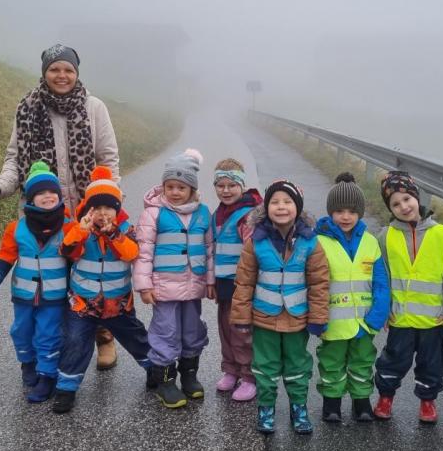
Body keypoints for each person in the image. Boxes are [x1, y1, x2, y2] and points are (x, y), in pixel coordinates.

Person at [0, 43, 121, 370]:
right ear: (44, 72)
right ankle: (52, 357)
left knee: (90, 282)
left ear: (77, 73)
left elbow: (108, 159)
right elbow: (15, 160)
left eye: (68, 69)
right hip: (43, 219)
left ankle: (103, 339)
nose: (62, 75)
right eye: (55, 69)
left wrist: (108, 203)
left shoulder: (93, 108)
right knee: (52, 290)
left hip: (86, 214)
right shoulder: (27, 108)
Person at [231, 179, 330, 435]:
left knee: (298, 365)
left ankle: (299, 408)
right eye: (275, 202)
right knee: (265, 366)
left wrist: (318, 317)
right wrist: (241, 317)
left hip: (298, 319)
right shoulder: (256, 242)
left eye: (287, 202)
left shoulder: (310, 242)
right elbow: (244, 281)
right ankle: (266, 408)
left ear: (297, 207)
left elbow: (319, 282)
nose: (281, 207)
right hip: (264, 317)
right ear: (266, 208)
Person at [51, 166, 151, 414]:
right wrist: (80, 231)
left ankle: (158, 372)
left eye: (109, 208)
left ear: (117, 210)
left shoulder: (125, 229)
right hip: (83, 303)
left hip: (118, 303)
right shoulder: (80, 229)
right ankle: (66, 388)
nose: (103, 213)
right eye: (97, 208)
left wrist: (114, 235)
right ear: (88, 209)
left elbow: (132, 253)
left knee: (137, 337)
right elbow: (67, 252)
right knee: (75, 341)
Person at [372, 171, 443, 424]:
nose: (403, 206)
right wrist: (383, 308)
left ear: (416, 198)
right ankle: (386, 397)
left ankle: (427, 401)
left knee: (432, 363)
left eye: (407, 199)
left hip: (433, 318)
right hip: (400, 316)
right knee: (392, 361)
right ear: (390, 208)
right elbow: (381, 277)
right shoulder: (385, 236)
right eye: (395, 204)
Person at [0, 162, 70, 403]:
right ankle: (27, 363)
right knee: (21, 331)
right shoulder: (16, 229)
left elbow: (79, 256)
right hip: (24, 295)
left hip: (55, 296)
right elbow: (4, 257)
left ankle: (47, 375)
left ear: (59, 196)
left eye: (52, 192)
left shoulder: (69, 227)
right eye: (40, 193)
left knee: (48, 334)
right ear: (30, 199)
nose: (47, 196)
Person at [133, 148, 215, 409]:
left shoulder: (203, 213)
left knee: (192, 331)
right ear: (163, 187)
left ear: (192, 189)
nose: (175, 192)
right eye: (170, 186)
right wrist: (144, 286)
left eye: (181, 187)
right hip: (164, 288)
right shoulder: (154, 214)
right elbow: (143, 253)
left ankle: (189, 376)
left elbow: (210, 249)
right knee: (165, 333)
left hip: (194, 286)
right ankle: (165, 382)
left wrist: (210, 280)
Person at [314, 173, 390, 423]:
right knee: (331, 363)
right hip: (333, 322)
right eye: (339, 211)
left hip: (363, 323)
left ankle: (361, 402)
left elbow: (380, 282)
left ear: (359, 213)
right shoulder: (318, 242)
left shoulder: (370, 242)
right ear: (330, 212)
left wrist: (377, 316)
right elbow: (314, 283)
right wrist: (317, 318)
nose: (345, 217)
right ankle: (332, 403)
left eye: (351, 211)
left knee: (362, 363)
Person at [210, 158, 263, 402]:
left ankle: (249, 376)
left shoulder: (247, 216)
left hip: (241, 285)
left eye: (231, 185)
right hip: (224, 284)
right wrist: (210, 281)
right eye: (220, 185)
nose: (226, 190)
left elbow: (252, 254)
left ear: (242, 186)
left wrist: (248, 286)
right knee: (225, 329)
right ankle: (230, 370)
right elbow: (212, 249)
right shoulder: (218, 214)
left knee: (242, 332)